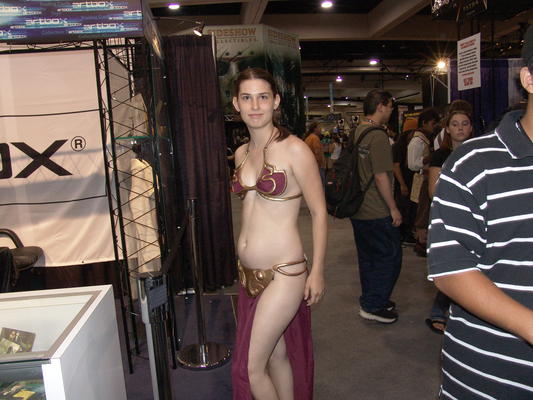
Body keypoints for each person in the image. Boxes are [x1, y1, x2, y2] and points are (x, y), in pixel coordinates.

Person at [427, 25, 533, 398]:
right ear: (528, 79)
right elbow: (450, 269)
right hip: (491, 372)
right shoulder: (472, 163)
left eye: (464, 123)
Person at [230, 68, 327, 400]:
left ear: (276, 101)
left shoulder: (295, 149)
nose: (255, 105)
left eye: (262, 97)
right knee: (276, 355)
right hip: (248, 273)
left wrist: (318, 271)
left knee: (249, 368)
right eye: (247, 98)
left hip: (285, 271)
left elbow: (319, 212)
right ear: (236, 104)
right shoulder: (241, 153)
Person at [350, 89, 402, 324]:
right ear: (381, 106)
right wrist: (393, 208)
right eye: (390, 107)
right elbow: (381, 176)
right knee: (389, 257)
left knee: (368, 258)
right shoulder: (378, 136)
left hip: (358, 207)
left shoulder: (358, 131)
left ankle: (372, 299)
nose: (391, 111)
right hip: (377, 209)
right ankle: (374, 305)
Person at [424, 109, 473, 334]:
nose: (460, 128)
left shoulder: (478, 154)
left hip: (475, 218)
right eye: (455, 124)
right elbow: (433, 191)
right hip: (448, 218)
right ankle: (439, 309)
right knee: (451, 266)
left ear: (471, 127)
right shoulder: (440, 156)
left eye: (464, 123)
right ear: (447, 129)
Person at [407, 108, 440, 256]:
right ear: (424, 123)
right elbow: (412, 164)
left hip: (427, 179)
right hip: (421, 180)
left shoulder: (426, 138)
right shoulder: (417, 140)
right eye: (432, 123)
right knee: (421, 214)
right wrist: (428, 159)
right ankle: (421, 243)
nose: (434, 126)